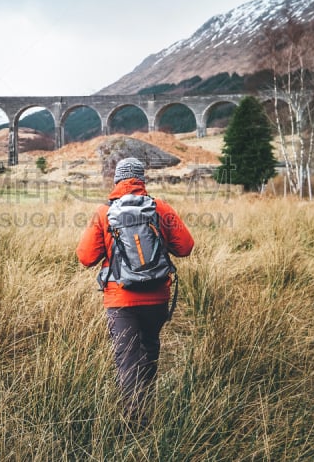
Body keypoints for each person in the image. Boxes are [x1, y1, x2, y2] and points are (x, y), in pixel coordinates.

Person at [76, 157, 194, 427]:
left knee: (127, 357)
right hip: (157, 296)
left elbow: (85, 257)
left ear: (116, 180)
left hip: (121, 299)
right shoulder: (160, 208)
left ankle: (135, 424)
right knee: (150, 347)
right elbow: (186, 247)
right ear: (142, 180)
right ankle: (146, 403)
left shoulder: (104, 212)